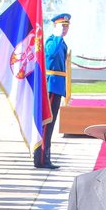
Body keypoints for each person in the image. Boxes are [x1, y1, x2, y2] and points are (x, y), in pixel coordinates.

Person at [35, 12, 70, 169]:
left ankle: (45, 157)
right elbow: (52, 54)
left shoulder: (60, 42)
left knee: (51, 125)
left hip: (57, 87)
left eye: (66, 26)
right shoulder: (51, 41)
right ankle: (41, 158)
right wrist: (56, 36)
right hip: (51, 86)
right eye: (62, 26)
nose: (64, 29)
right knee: (46, 124)